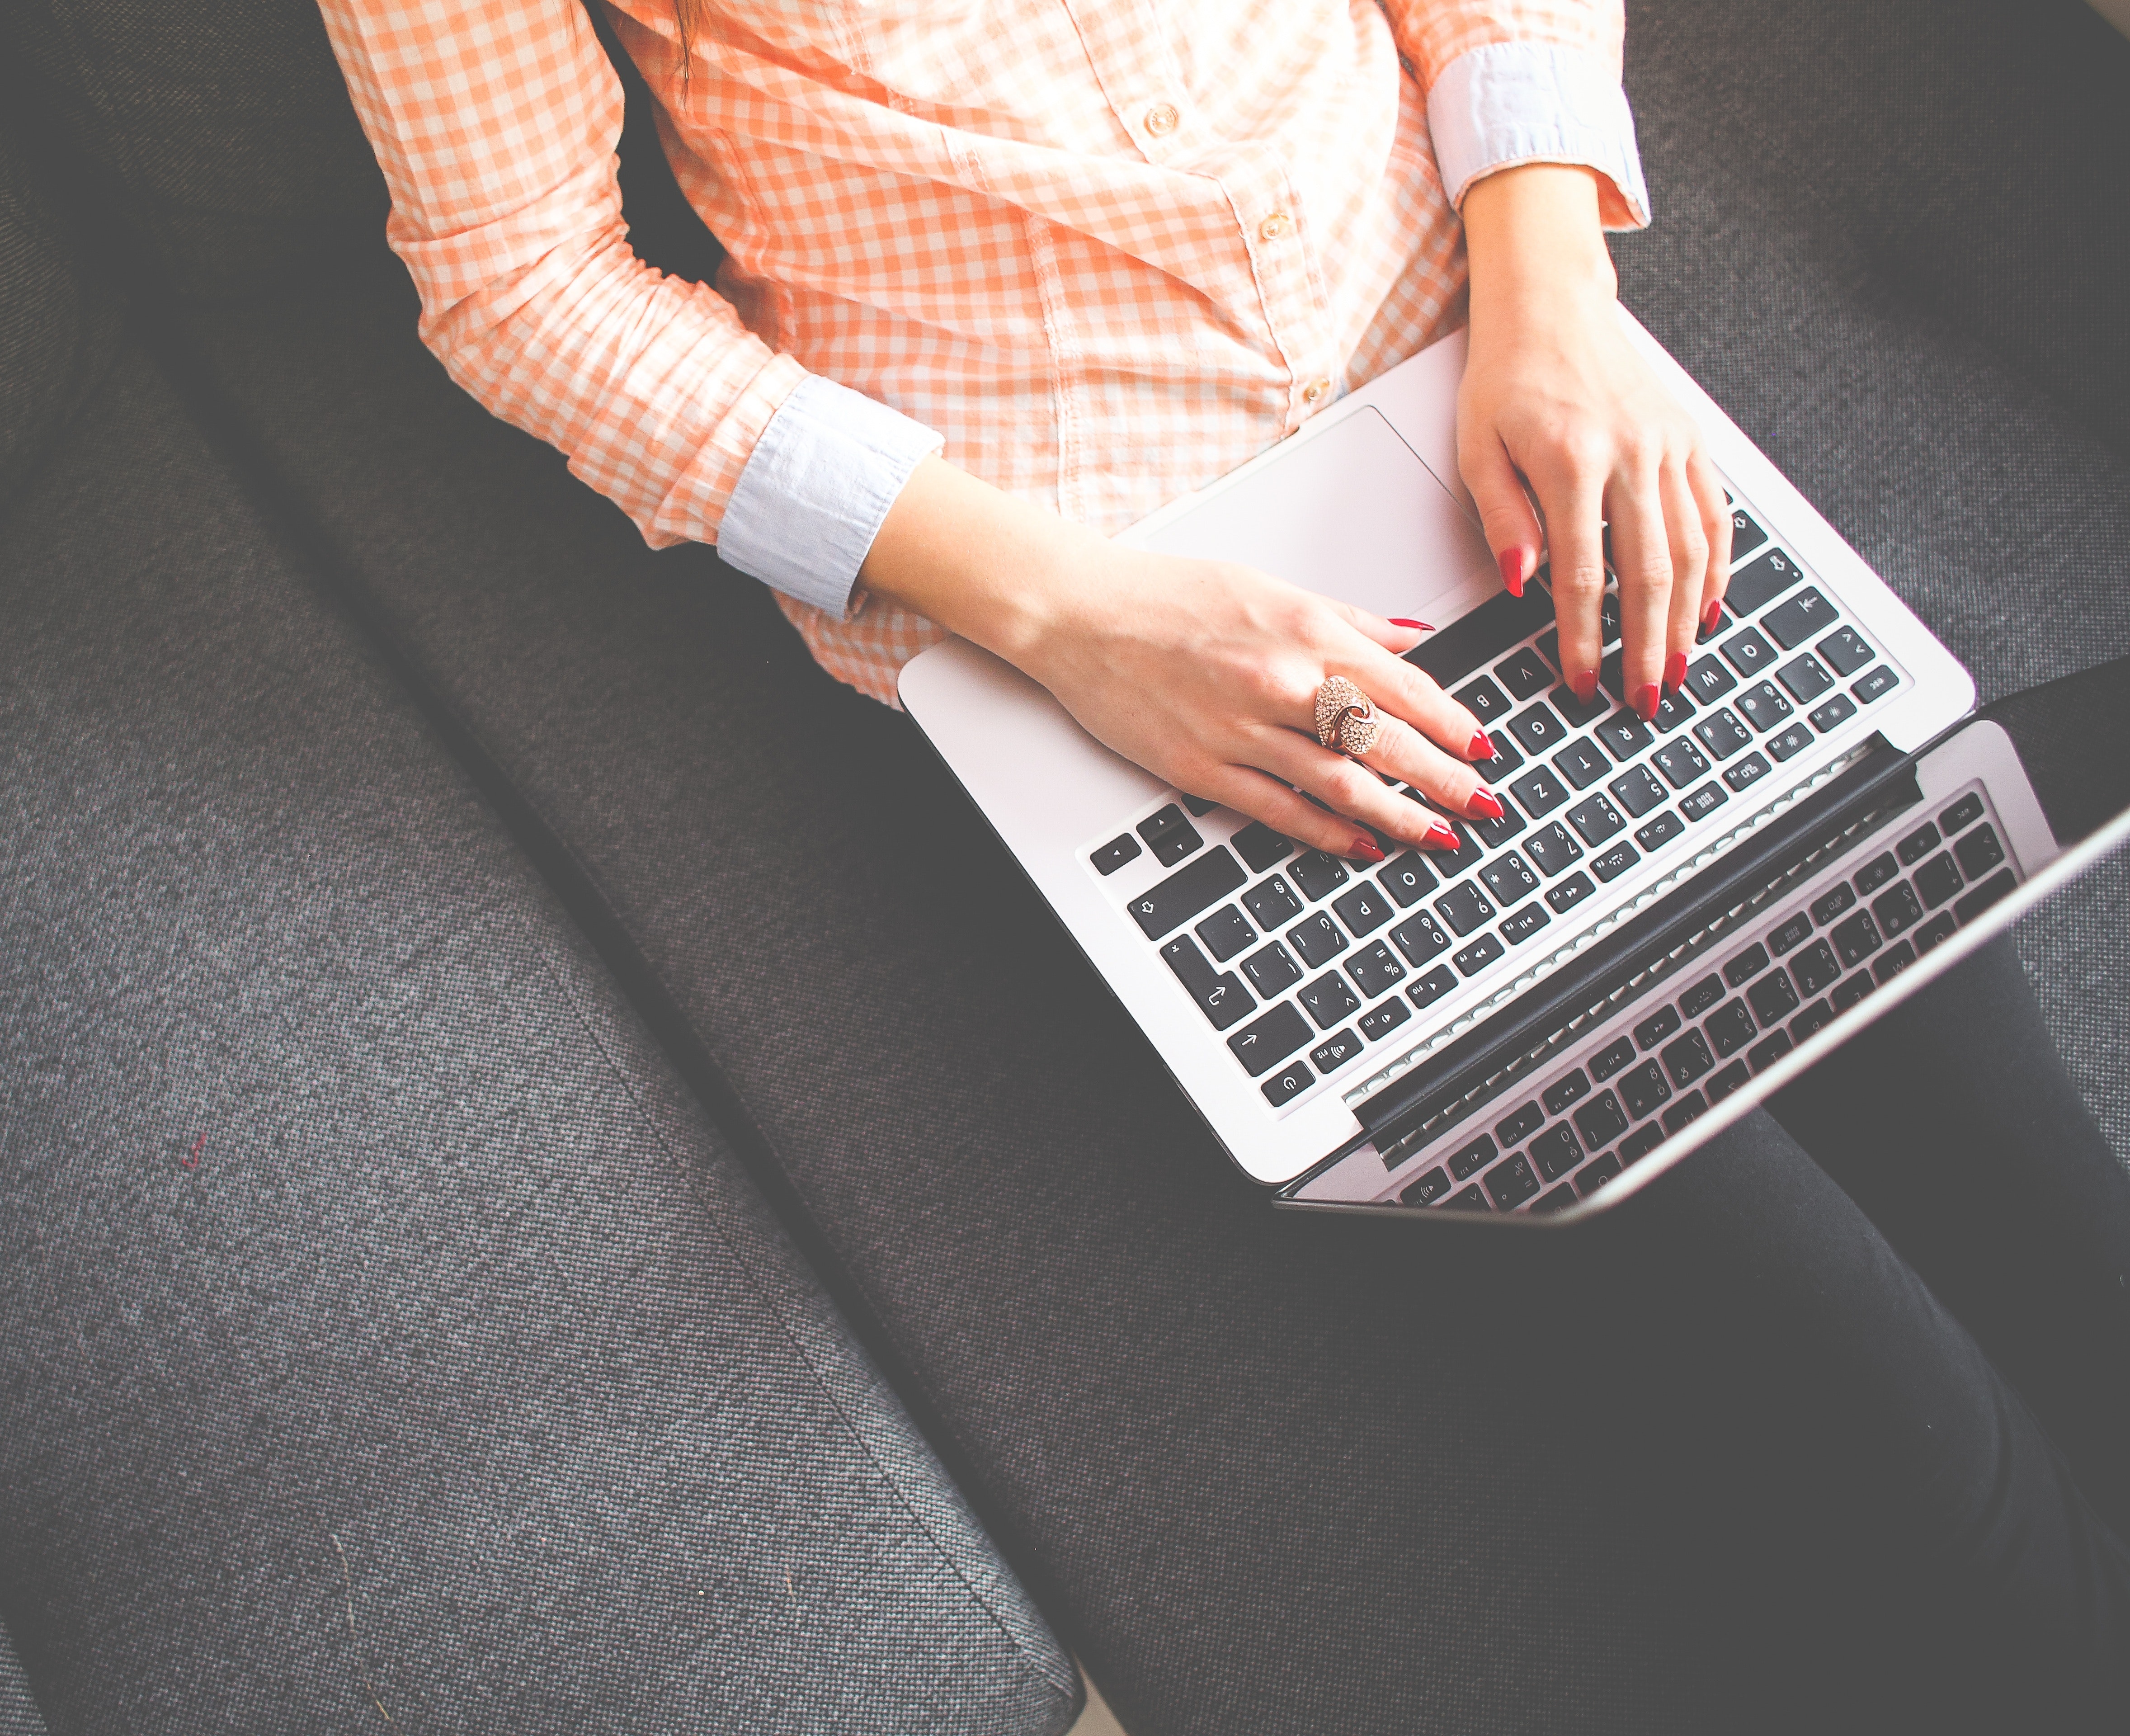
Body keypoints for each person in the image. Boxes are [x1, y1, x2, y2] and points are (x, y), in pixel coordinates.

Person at [318, 0, 2130, 1714]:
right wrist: (1074, 612)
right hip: (1108, 609)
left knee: (2049, 1217)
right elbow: (523, 280)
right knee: (1905, 1454)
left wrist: (1558, 293)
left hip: (1490, 400)